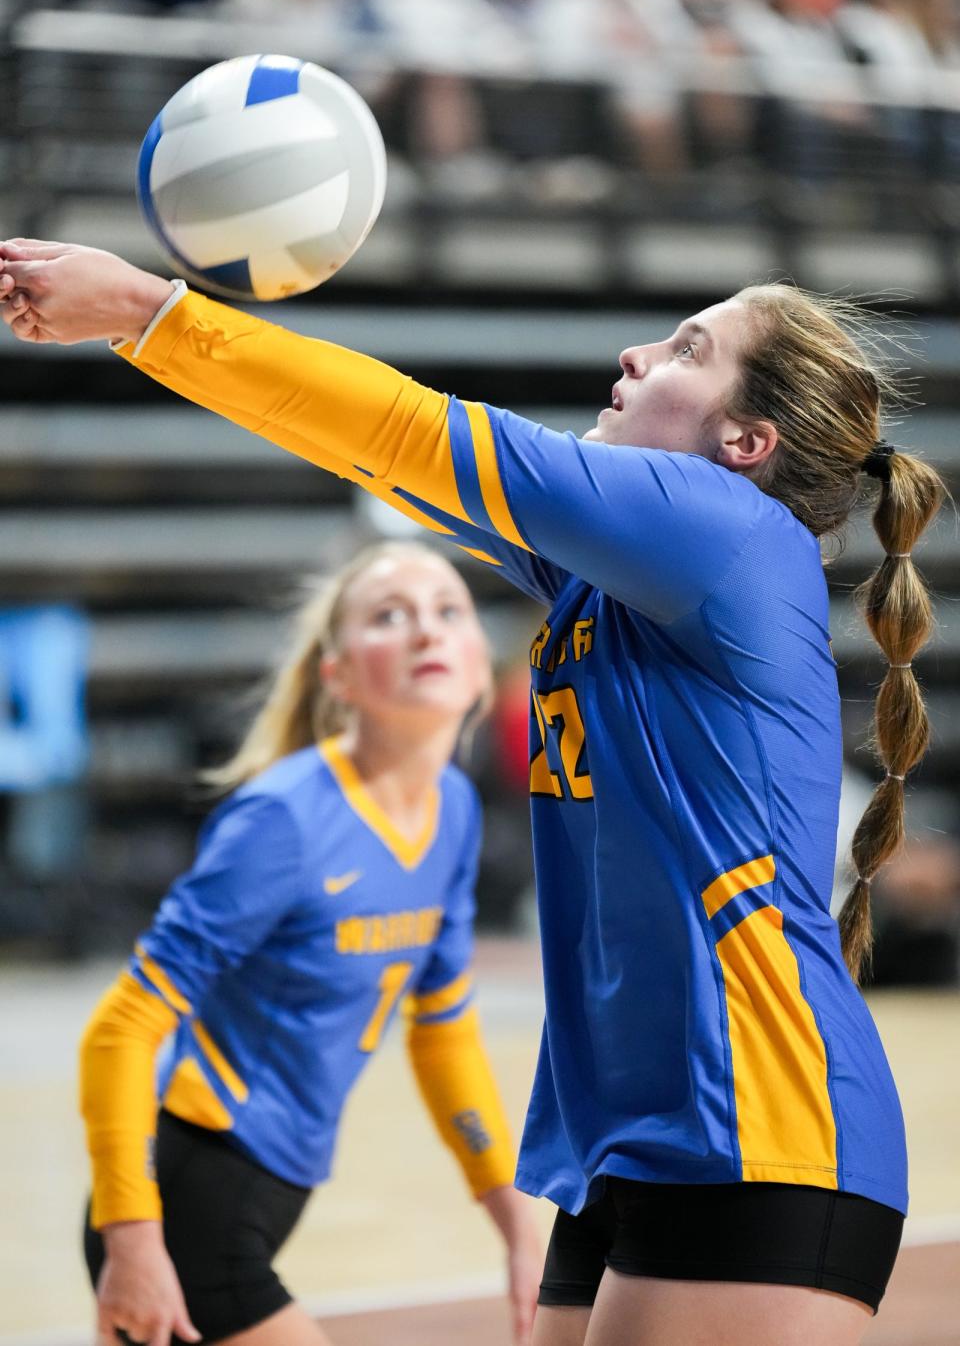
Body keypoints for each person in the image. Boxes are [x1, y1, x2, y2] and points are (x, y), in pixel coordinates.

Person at [0, 239, 947, 1346]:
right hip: (645, 1128)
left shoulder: (724, 529)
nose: (638, 353)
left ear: (746, 443)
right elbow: (376, 452)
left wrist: (147, 308)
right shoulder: (614, 578)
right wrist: (140, 331)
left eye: (689, 346)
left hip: (760, 1110)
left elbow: (409, 428)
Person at [72, 539, 542, 1346]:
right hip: (188, 1190)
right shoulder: (283, 820)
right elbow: (120, 1028)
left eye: (447, 611)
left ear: (478, 665)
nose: (425, 631)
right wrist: (132, 1240)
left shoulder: (455, 812)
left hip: (274, 1191)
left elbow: (441, 1028)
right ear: (340, 675)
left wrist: (516, 1223)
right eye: (389, 616)